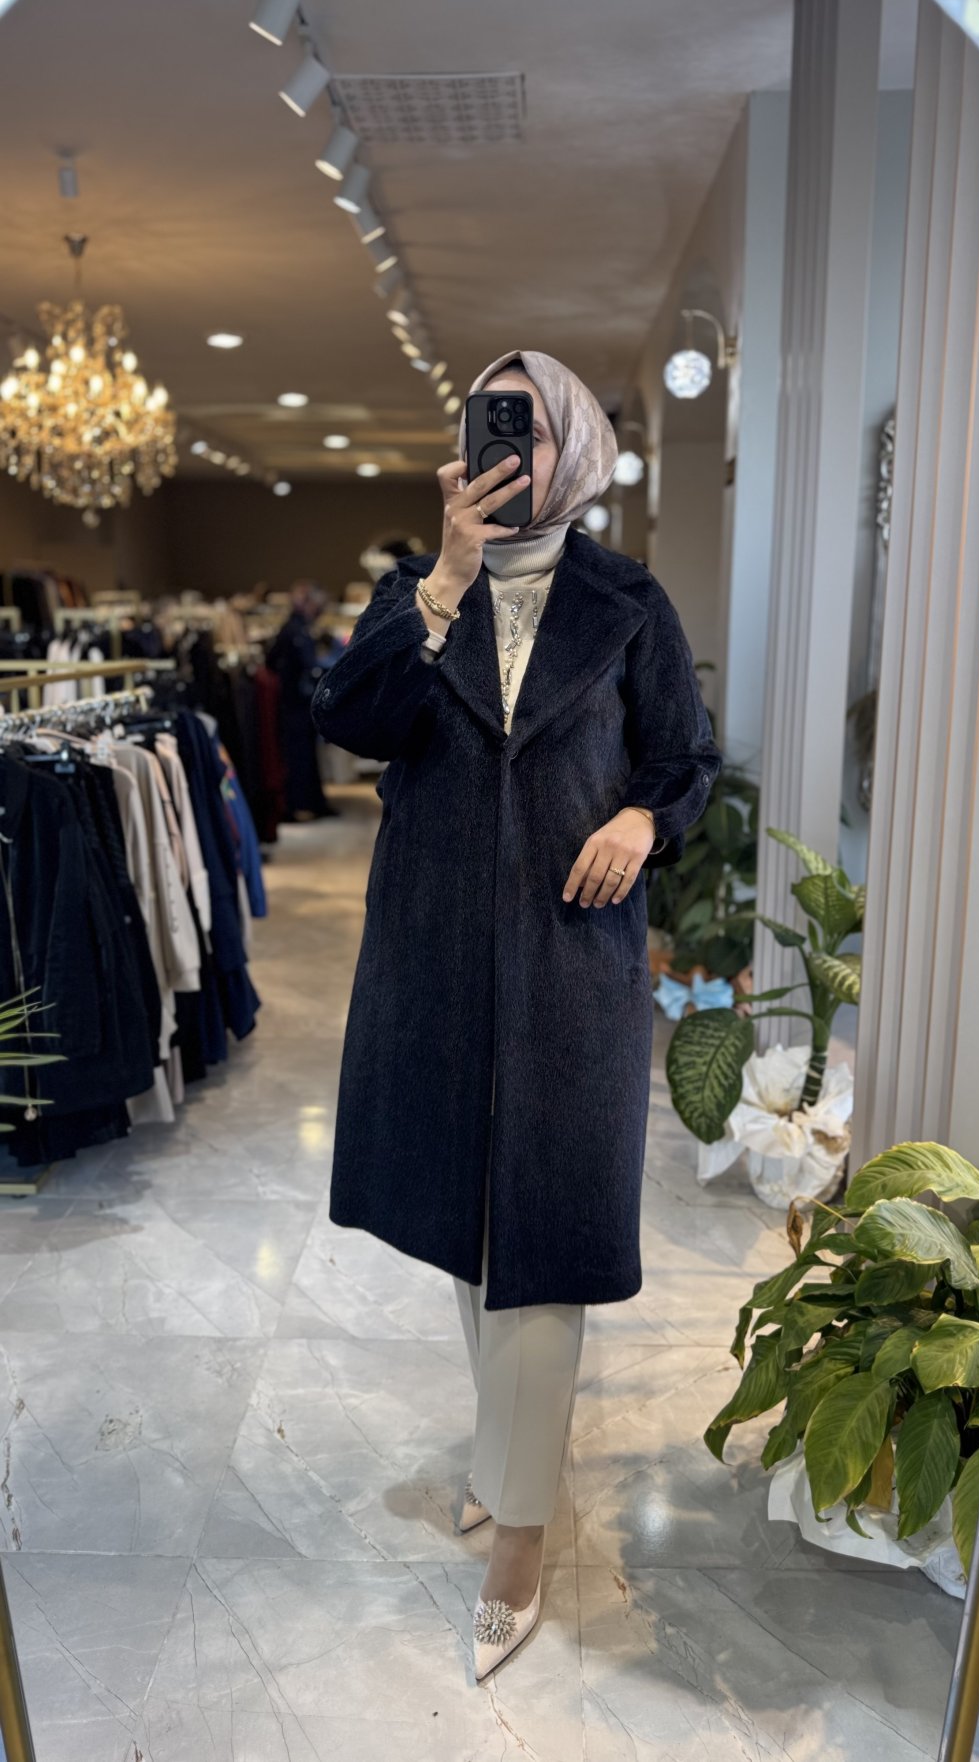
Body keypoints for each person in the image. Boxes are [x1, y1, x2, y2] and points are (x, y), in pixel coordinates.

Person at [311, 349, 723, 1682]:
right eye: (491, 428)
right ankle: (504, 1463)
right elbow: (352, 719)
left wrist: (642, 817)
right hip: (433, 955)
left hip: (568, 960)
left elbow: (685, 757)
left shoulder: (627, 601)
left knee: (543, 1244)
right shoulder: (418, 591)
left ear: (577, 449)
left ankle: (522, 1536)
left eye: (530, 430)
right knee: (466, 1228)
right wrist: (440, 579)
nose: (507, 452)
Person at [266, 581, 337, 821]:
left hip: (298, 702)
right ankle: (298, 806)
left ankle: (313, 803)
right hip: (294, 704)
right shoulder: (294, 630)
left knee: (305, 755)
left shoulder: (299, 628)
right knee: (298, 756)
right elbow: (297, 664)